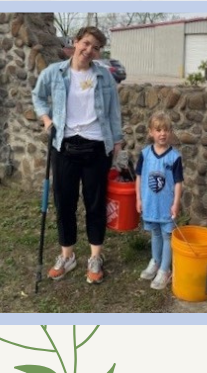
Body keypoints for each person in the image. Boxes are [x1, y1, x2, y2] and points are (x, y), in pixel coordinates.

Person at [32, 26, 124, 285]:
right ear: (75, 42)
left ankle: (95, 257)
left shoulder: (104, 77)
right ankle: (67, 255)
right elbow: (37, 97)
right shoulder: (54, 73)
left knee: (95, 203)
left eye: (95, 47)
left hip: (97, 147)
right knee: (65, 203)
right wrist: (47, 120)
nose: (89, 50)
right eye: (86, 43)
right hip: (64, 146)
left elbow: (114, 111)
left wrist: (117, 140)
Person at [135, 111, 183, 291]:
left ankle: (164, 269)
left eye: (166, 130)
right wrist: (138, 199)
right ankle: (155, 262)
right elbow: (139, 177)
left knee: (167, 236)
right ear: (151, 132)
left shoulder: (175, 157)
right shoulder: (145, 154)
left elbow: (178, 182)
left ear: (171, 132)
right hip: (149, 204)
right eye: (158, 130)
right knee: (155, 234)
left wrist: (176, 203)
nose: (162, 133)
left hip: (166, 206)